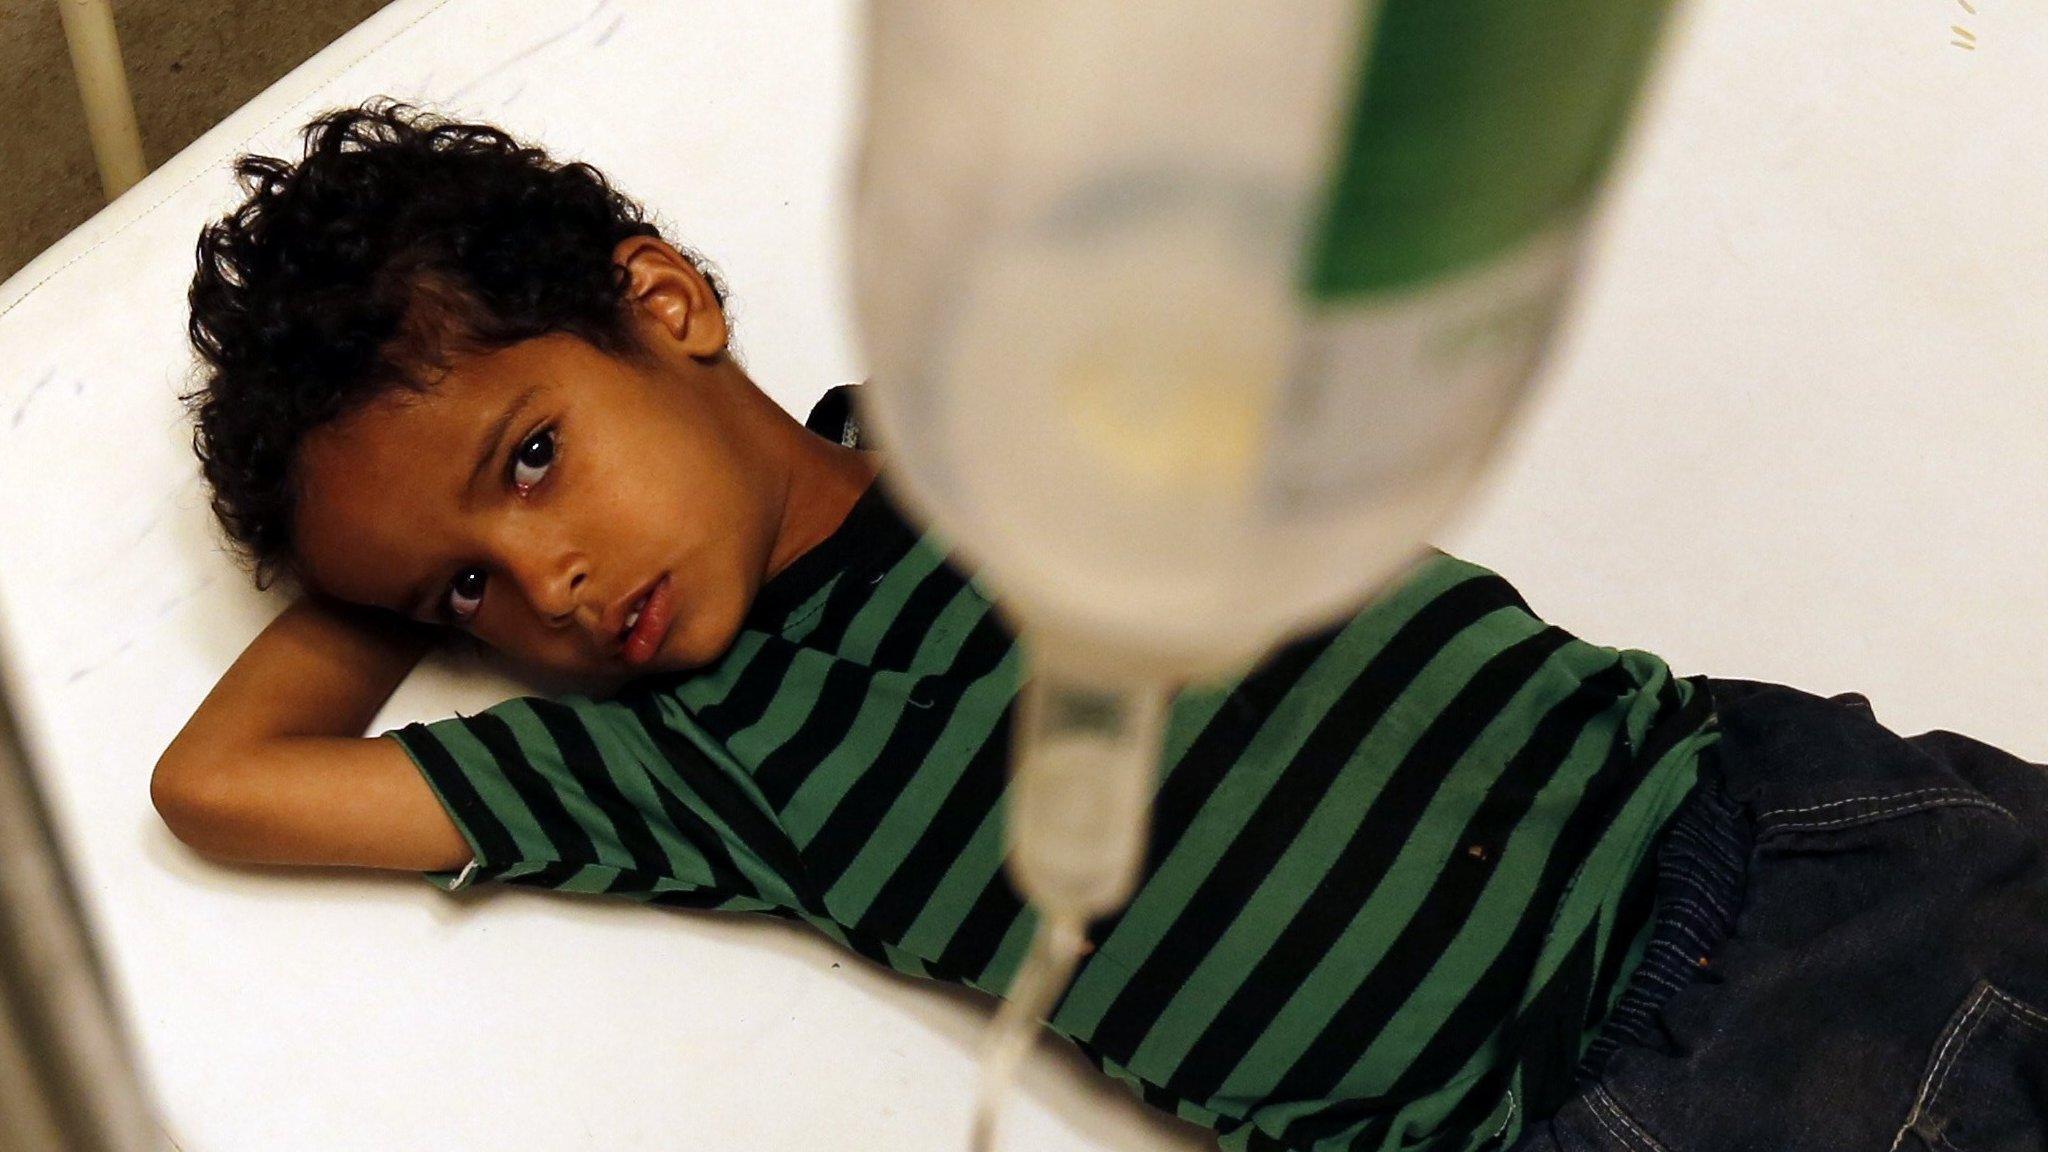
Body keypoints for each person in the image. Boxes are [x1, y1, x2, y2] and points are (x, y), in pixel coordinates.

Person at [151, 100, 2048, 1152]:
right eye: (465, 589)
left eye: (537, 456)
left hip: (1775, 808)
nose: (540, 587)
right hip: (1604, 1104)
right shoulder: (695, 765)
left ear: (669, 303)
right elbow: (222, 782)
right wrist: (370, 569)